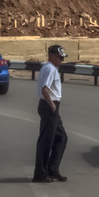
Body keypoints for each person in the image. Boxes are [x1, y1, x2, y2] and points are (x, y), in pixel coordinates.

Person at [32, 43, 68, 184]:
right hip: (49, 106)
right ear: (52, 56)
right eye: (60, 57)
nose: (61, 60)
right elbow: (45, 89)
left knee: (61, 138)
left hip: (51, 106)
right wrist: (53, 106)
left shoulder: (50, 68)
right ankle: (40, 174)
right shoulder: (50, 69)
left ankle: (52, 169)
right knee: (46, 142)